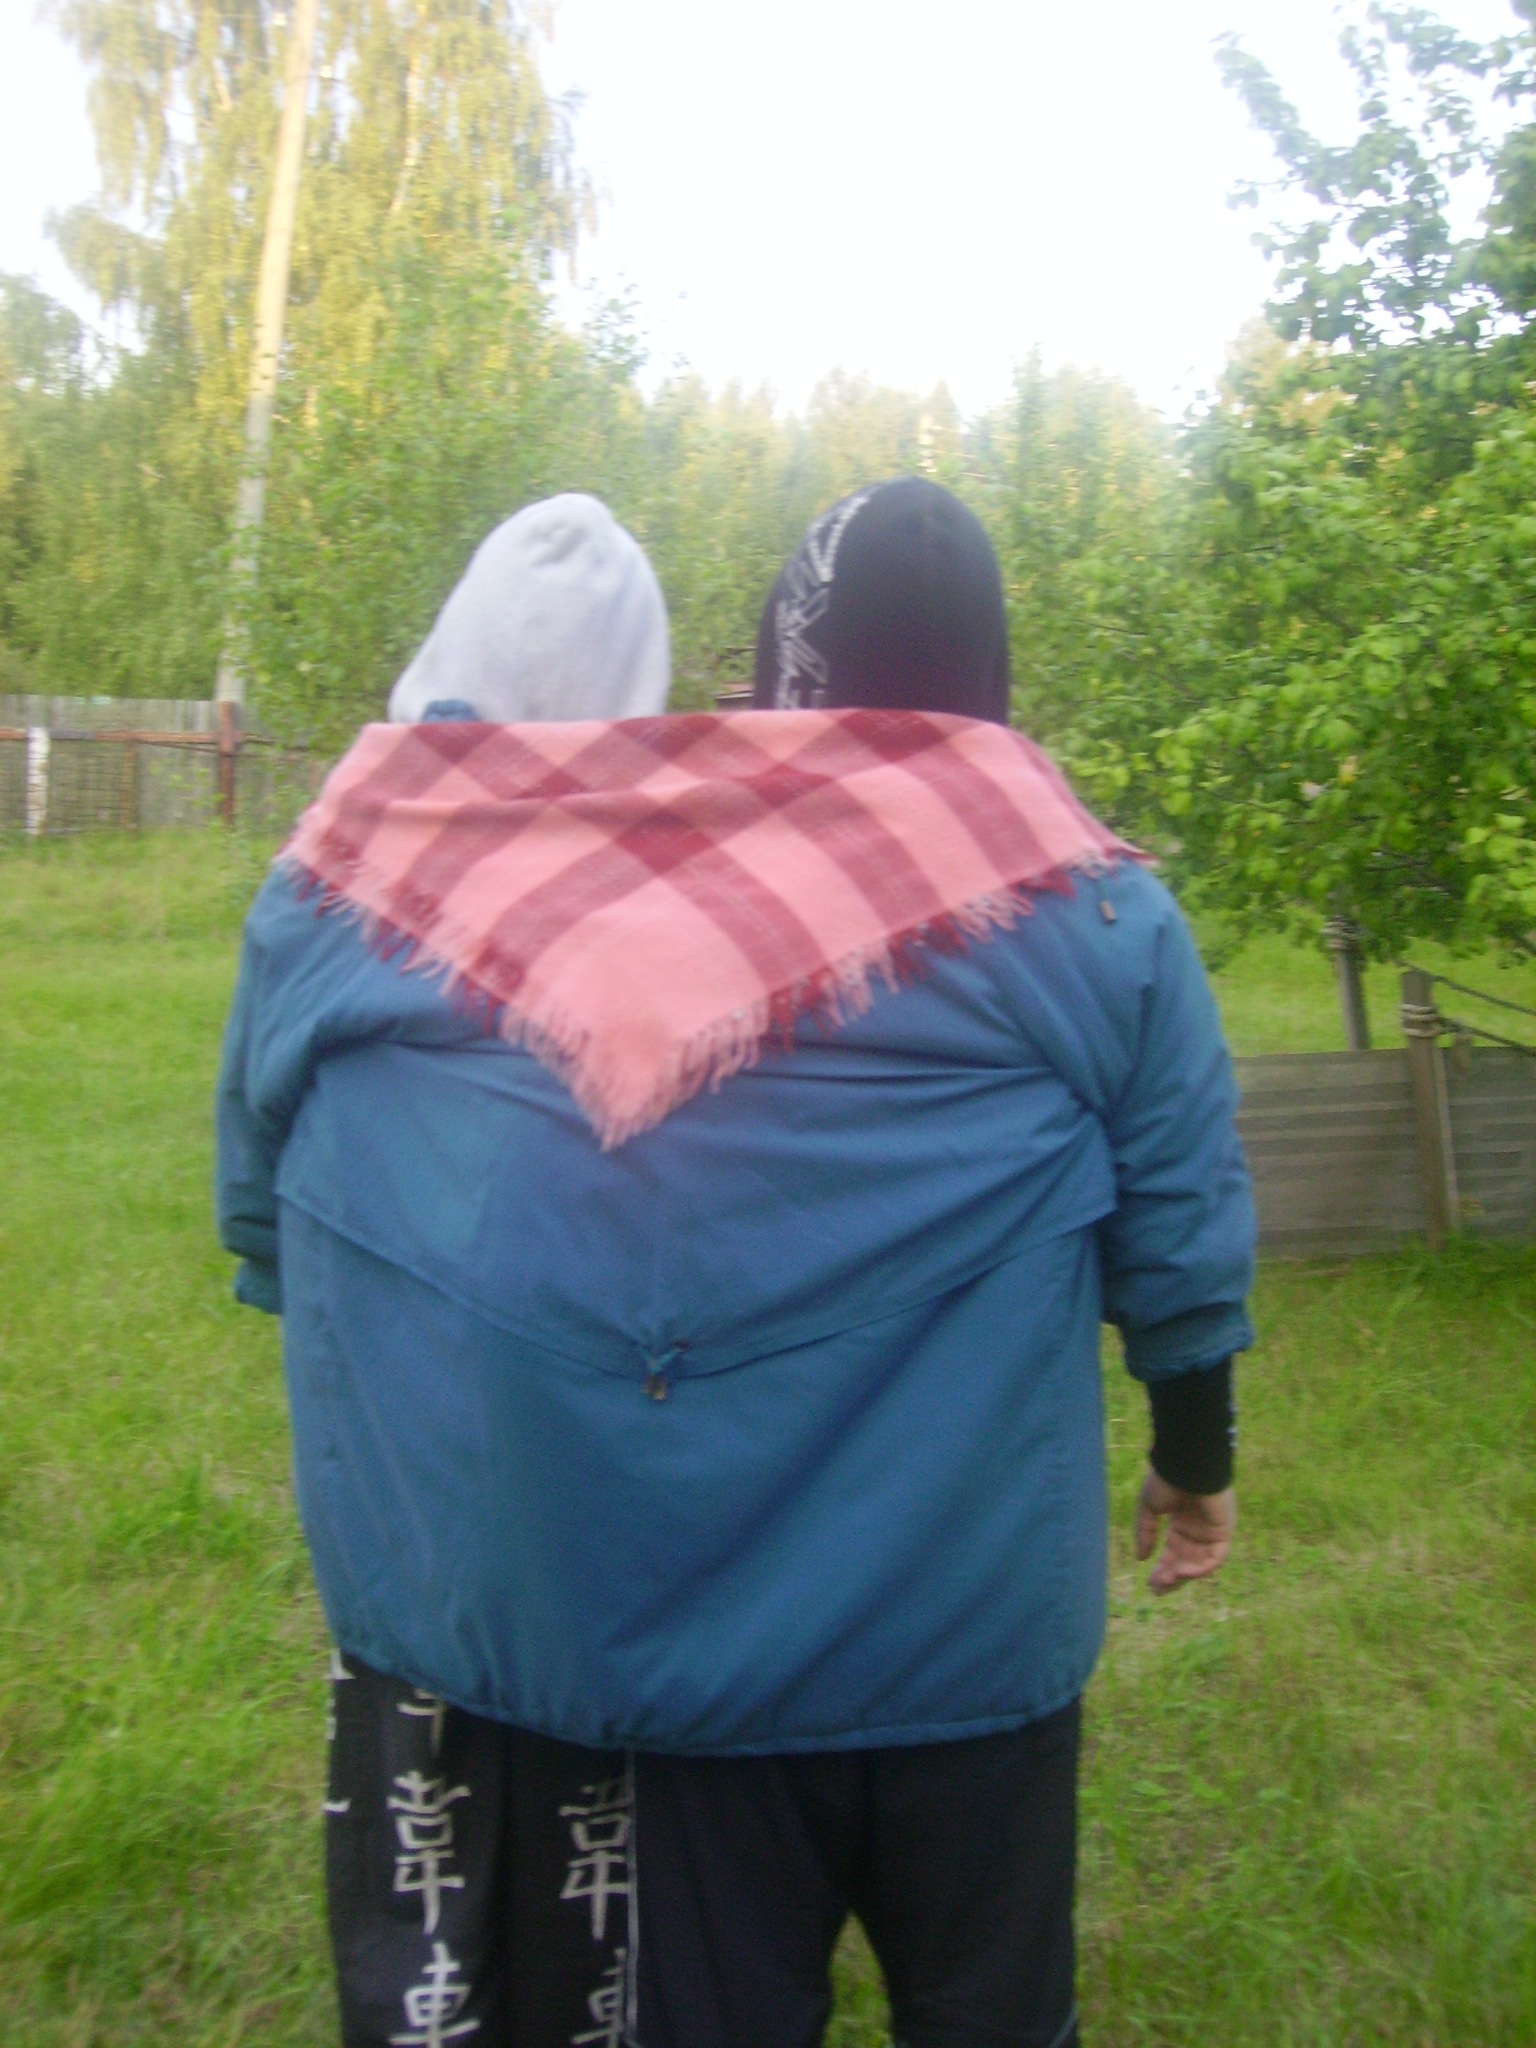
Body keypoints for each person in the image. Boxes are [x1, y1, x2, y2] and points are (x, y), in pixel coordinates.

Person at [217, 478, 1253, 2048]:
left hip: (692, 1666)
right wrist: (1198, 1454)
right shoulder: (1093, 905)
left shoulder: (606, 911)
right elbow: (1181, 1235)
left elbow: (287, 1222)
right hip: (977, 1624)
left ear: (779, 668)